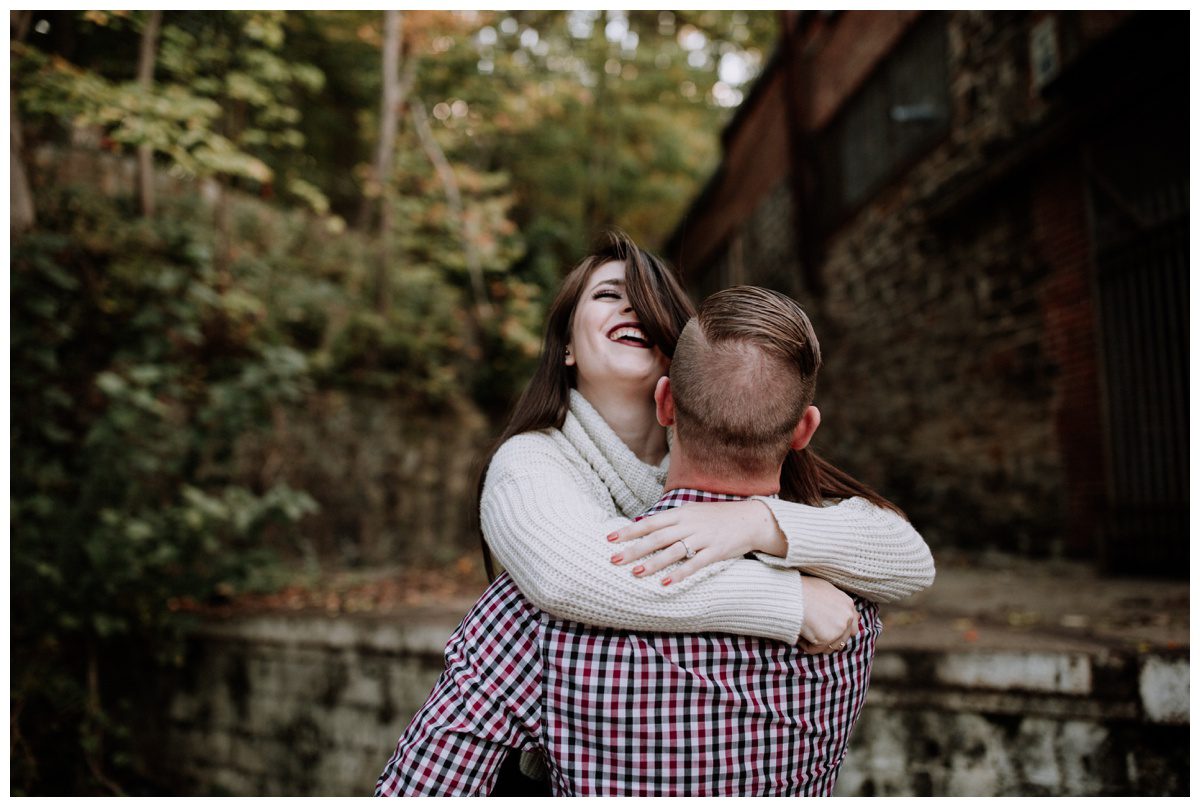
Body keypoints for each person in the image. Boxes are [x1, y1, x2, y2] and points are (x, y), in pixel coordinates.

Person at [375, 235, 932, 794]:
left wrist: (757, 522)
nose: (631, 309)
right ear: (565, 346)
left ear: (676, 374)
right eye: (607, 295)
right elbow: (569, 576)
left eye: (649, 301)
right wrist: (788, 601)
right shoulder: (529, 463)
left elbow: (905, 554)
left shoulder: (740, 446)